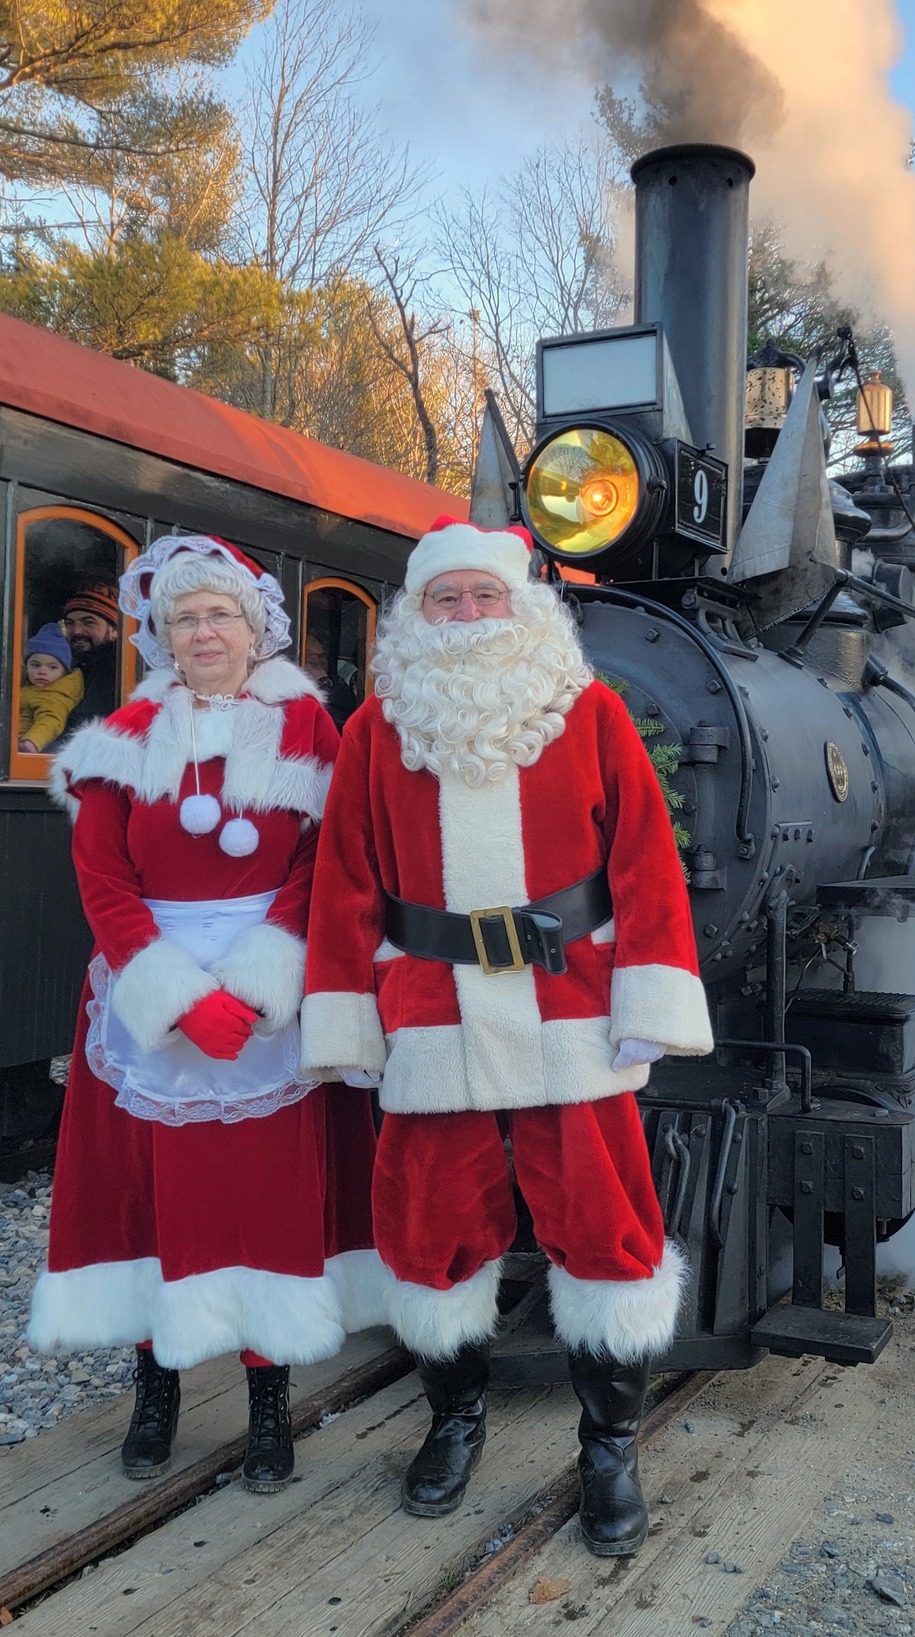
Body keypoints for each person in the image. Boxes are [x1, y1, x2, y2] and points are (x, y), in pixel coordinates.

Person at [302, 517, 714, 1557]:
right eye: (448, 599)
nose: (470, 614)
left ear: (522, 607)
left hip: (569, 998)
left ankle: (610, 1443)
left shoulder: (589, 710)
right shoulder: (375, 728)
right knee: (427, 1226)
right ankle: (453, 1417)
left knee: (607, 1229)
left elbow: (645, 861)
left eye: (486, 596)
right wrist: (346, 1010)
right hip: (430, 1007)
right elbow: (345, 882)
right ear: (417, 613)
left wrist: (648, 997)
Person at [27, 536, 387, 1489]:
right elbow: (102, 874)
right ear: (162, 634)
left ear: (254, 624)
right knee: (154, 1194)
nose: (203, 632)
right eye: (184, 618)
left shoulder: (309, 728)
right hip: (153, 999)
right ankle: (159, 1388)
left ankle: (270, 1403)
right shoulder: (124, 734)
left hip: (268, 995)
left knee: (262, 1198)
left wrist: (261, 983)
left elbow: (328, 860)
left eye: (219, 614)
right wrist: (172, 994)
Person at [62, 582, 124, 727]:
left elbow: (84, 724)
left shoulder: (114, 674)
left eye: (88, 623)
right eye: (70, 623)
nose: (76, 631)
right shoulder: (57, 666)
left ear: (114, 630)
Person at [18, 622, 84, 752]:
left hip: (24, 748)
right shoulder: (29, 689)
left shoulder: (56, 695)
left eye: (52, 667)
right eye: (35, 665)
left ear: (64, 671)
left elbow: (51, 720)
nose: (42, 671)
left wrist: (32, 742)